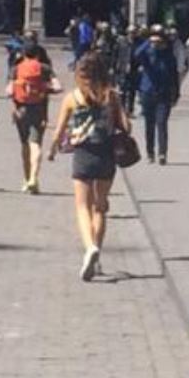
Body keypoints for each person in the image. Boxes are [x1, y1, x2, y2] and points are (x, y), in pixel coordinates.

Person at [50, 50, 130, 281]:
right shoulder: (111, 96)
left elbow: (59, 130)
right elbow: (126, 126)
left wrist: (53, 149)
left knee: (82, 206)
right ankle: (96, 252)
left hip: (83, 153)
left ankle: (89, 248)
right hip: (106, 155)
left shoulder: (72, 98)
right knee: (101, 206)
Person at [8, 35, 59, 194]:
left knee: (24, 144)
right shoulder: (44, 68)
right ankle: (34, 178)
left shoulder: (16, 68)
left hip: (20, 109)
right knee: (35, 144)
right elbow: (58, 87)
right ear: (37, 54)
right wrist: (44, 89)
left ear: (23, 53)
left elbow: (9, 90)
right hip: (39, 109)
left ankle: (26, 179)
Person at [133, 26, 182, 165]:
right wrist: (149, 42)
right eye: (155, 38)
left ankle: (162, 153)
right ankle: (150, 152)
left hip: (164, 94)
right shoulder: (148, 53)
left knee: (162, 123)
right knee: (149, 124)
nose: (157, 42)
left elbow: (174, 75)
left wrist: (176, 93)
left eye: (159, 38)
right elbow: (137, 54)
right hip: (147, 92)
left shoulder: (168, 55)